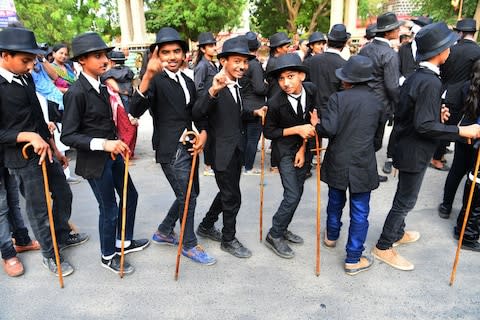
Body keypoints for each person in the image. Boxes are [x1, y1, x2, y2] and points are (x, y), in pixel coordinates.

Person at [371, 22, 480, 271]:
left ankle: (396, 232)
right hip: (414, 149)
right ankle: (384, 245)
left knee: (405, 196)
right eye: (448, 47)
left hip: (408, 146)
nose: (451, 51)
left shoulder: (420, 77)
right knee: (405, 201)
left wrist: (435, 113)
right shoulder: (429, 82)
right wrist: (461, 130)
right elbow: (423, 126)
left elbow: (414, 113)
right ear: (438, 52)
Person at [0, 27, 87, 277]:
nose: (30, 67)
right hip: (20, 157)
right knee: (38, 208)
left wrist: (53, 146)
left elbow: (38, 118)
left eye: (32, 61)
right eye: (25, 60)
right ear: (5, 55)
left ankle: (60, 235)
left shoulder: (26, 77)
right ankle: (50, 254)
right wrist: (26, 136)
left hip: (44, 150)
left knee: (63, 194)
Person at [62, 32, 149, 275]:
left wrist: (121, 134)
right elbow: (68, 136)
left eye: (105, 55)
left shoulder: (102, 86)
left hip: (114, 156)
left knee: (130, 196)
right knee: (108, 208)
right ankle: (108, 255)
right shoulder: (76, 92)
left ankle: (124, 243)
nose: (104, 60)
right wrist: (103, 144)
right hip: (94, 162)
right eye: (97, 56)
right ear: (81, 60)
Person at [129, 27, 215, 265]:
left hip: (190, 144)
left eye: (177, 51)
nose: (172, 57)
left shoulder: (187, 80)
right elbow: (134, 110)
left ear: (185, 54)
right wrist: (146, 76)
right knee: (188, 197)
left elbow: (197, 111)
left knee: (190, 193)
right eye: (165, 52)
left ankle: (165, 230)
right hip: (170, 150)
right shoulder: (155, 80)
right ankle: (189, 244)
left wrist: (204, 133)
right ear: (157, 55)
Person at [193, 36, 264, 258]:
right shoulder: (214, 84)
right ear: (223, 60)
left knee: (227, 193)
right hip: (221, 152)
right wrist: (213, 91)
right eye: (236, 61)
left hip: (236, 149)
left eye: (244, 61)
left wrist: (254, 112)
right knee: (233, 197)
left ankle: (206, 225)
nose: (242, 66)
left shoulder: (237, 84)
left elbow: (235, 113)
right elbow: (197, 113)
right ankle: (228, 239)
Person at [312, 55, 384, 275]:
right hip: (363, 161)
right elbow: (378, 141)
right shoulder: (378, 103)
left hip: (338, 159)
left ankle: (332, 236)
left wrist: (317, 125)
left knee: (335, 201)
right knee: (360, 211)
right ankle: (353, 257)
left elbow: (329, 129)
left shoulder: (337, 98)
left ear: (349, 80)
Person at [263, 53, 316, 259]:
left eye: (291, 76)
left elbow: (311, 120)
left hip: (304, 148)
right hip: (284, 151)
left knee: (298, 192)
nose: (286, 83)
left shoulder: (311, 90)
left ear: (302, 76)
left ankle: (283, 227)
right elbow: (269, 132)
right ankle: (274, 234)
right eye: (281, 78)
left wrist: (303, 147)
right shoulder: (275, 102)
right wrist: (296, 130)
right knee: (292, 194)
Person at [438, 18, 480, 218]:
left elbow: (444, 72)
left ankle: (446, 206)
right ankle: (466, 212)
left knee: (457, 168)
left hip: (451, 96)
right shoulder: (476, 51)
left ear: (460, 33)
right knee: (471, 173)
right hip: (471, 112)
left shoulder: (450, 49)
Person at [359, 12, 402, 182]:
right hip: (379, 105)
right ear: (387, 32)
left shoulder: (365, 49)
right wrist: (399, 104)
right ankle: (367, 173)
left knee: (365, 139)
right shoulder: (389, 54)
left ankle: (364, 170)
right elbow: (392, 86)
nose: (398, 31)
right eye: (395, 28)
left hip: (362, 101)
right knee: (374, 142)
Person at [240, 31, 268, 175]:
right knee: (252, 138)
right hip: (255, 105)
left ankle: (244, 163)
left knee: (244, 137)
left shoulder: (242, 63)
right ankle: (248, 167)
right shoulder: (254, 65)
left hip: (242, 104)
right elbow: (259, 88)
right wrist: (267, 86)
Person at [305, 24, 348, 110]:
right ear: (344, 43)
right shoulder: (345, 65)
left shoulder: (311, 61)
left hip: (312, 110)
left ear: (328, 42)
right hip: (333, 111)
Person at [194, 32, 219, 177]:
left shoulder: (212, 64)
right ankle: (208, 165)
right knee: (207, 135)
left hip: (213, 104)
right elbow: (198, 88)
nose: (214, 48)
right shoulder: (202, 66)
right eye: (210, 45)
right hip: (205, 105)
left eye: (214, 44)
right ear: (203, 49)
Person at [398, 16, 433, 83]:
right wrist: (401, 79)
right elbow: (397, 67)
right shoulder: (404, 48)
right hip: (404, 86)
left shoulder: (431, 50)